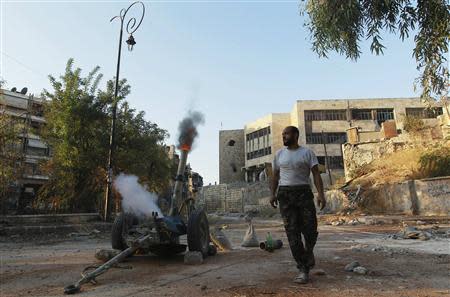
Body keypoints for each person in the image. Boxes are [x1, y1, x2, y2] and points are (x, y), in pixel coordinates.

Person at [270, 126, 326, 284]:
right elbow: (275, 176)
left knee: (310, 229)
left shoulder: (307, 153)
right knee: (292, 233)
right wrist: (272, 194)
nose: (284, 137)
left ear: (295, 135)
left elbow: (316, 174)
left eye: (286, 134)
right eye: (282, 134)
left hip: (303, 193)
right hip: (285, 195)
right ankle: (303, 268)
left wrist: (321, 194)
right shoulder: (279, 154)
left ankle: (309, 252)